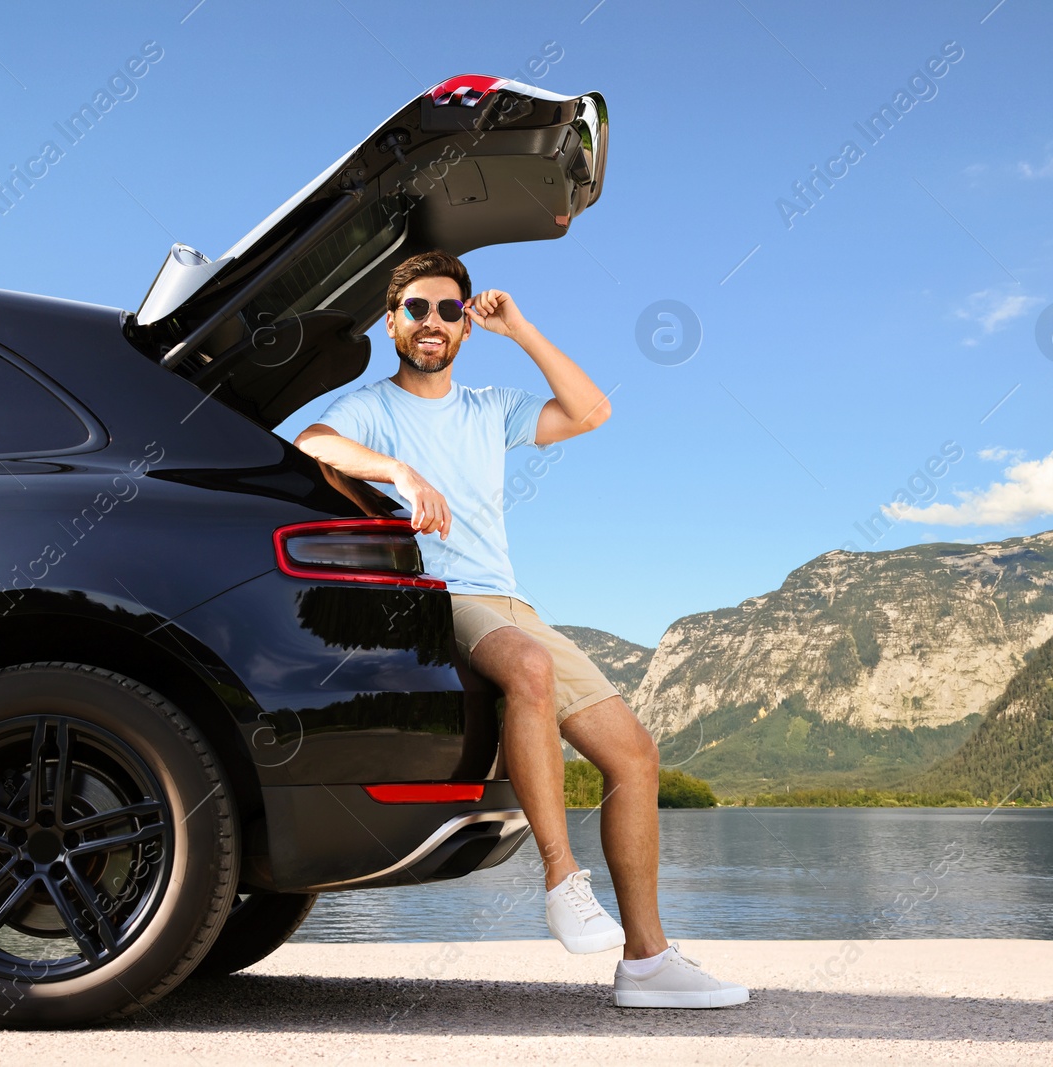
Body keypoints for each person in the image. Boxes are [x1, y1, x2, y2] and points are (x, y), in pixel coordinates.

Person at [294, 250, 748, 1009]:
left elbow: (591, 410)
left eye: (448, 310)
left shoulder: (487, 408)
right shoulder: (372, 408)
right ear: (392, 321)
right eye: (416, 309)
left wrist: (522, 329)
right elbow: (312, 445)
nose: (431, 322)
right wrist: (401, 474)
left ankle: (647, 961)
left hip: (510, 598)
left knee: (635, 755)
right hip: (440, 596)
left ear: (465, 325)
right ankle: (562, 880)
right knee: (528, 667)